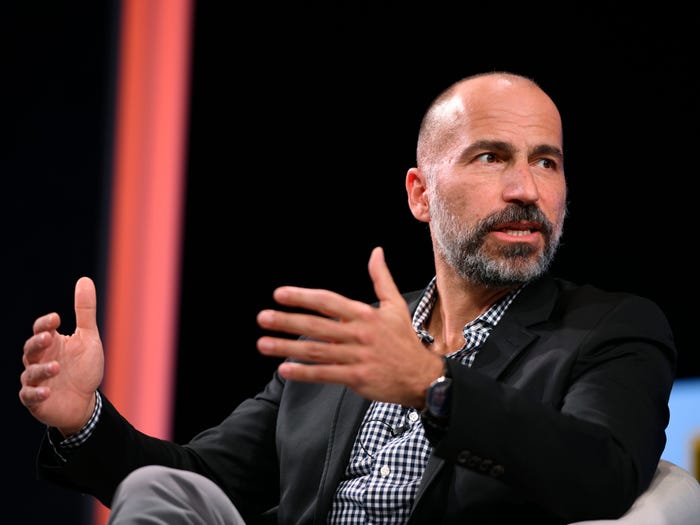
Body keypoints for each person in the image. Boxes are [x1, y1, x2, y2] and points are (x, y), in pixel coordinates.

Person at [20, 71, 677, 524]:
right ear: (421, 194)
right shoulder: (354, 341)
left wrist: (434, 388)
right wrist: (83, 420)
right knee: (159, 487)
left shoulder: (608, 329)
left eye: (547, 162)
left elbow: (603, 469)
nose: (527, 189)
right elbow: (203, 479)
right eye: (491, 157)